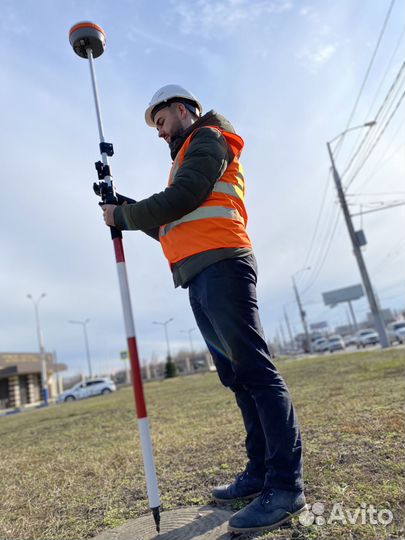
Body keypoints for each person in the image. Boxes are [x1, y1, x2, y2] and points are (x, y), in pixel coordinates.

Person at [101, 84, 306, 533]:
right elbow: (172, 223)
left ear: (182, 109)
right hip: (199, 273)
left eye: (160, 121)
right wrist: (126, 210)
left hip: (224, 264)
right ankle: (258, 474)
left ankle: (286, 488)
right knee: (237, 378)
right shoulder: (185, 158)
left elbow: (185, 197)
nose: (158, 133)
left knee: (255, 371)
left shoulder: (208, 138)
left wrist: (125, 217)